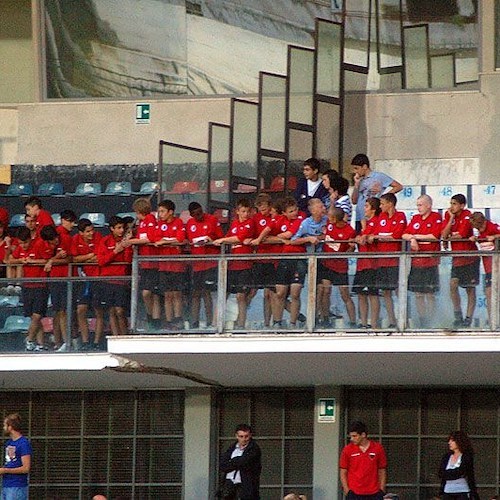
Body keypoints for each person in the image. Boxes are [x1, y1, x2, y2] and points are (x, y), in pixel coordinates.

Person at [213, 199, 256, 329]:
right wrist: (225, 239)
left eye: (248, 211)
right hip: (233, 264)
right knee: (223, 294)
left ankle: (241, 324)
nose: (246, 214)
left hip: (245, 265)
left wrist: (222, 240)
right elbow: (231, 237)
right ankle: (216, 323)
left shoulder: (250, 223)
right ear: (237, 211)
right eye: (243, 211)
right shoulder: (235, 224)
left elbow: (238, 238)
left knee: (240, 296)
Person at [402, 194, 442, 328]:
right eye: (417, 205)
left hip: (430, 261)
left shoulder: (436, 217)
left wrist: (414, 236)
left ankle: (432, 320)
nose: (418, 208)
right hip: (416, 262)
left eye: (420, 205)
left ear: (429, 205)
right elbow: (404, 234)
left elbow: (434, 236)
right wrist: (412, 239)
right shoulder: (415, 218)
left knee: (429, 293)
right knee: (418, 294)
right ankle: (423, 320)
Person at [367, 193, 407, 329]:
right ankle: (392, 320)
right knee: (385, 291)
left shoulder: (400, 216)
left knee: (398, 290)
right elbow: (376, 234)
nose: (381, 206)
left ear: (390, 204)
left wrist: (381, 236)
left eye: (383, 204)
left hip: (395, 260)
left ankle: (403, 319)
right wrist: (382, 236)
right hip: (382, 260)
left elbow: (396, 235)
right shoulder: (381, 217)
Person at [441, 194, 480, 327]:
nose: (451, 206)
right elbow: (443, 235)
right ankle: (458, 315)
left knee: (470, 289)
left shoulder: (467, 215)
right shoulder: (448, 216)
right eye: (451, 203)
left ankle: (468, 318)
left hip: (470, 258)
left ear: (462, 206)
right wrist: (451, 219)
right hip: (457, 257)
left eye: (455, 204)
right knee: (453, 285)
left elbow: (461, 234)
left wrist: (449, 236)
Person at [8, 227, 50, 351]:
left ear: (29, 239)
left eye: (25, 243)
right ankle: (41, 345)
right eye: (21, 243)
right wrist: (19, 260)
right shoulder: (20, 248)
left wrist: (32, 261)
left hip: (40, 286)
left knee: (37, 316)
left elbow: (47, 260)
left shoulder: (38, 245)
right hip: (27, 286)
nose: (23, 246)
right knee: (34, 318)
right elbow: (9, 260)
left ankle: (29, 339)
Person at [185, 202, 224, 329]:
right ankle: (194, 322)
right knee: (196, 293)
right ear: (191, 215)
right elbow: (187, 240)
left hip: (211, 262)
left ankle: (209, 322)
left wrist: (210, 241)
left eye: (201, 212)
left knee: (207, 292)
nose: (200, 216)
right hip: (197, 263)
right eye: (196, 214)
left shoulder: (212, 219)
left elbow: (221, 239)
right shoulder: (190, 224)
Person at [318, 206, 357, 328]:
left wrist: (350, 248)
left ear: (335, 218)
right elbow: (324, 236)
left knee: (344, 294)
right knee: (326, 291)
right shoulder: (329, 224)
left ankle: (353, 322)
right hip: (326, 264)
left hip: (340, 267)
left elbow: (351, 248)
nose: (328, 218)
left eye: (330, 217)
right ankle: (325, 319)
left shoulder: (349, 230)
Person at [153, 199, 188, 330]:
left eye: (162, 211)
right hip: (164, 265)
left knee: (176, 294)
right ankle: (169, 321)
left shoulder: (178, 222)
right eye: (159, 211)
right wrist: (167, 241)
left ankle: (178, 319)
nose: (160, 214)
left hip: (177, 265)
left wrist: (164, 241)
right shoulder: (159, 224)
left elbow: (179, 239)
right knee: (167, 294)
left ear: (170, 212)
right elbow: (156, 239)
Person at [127, 198, 161, 330]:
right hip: (144, 262)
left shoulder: (150, 220)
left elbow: (150, 238)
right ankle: (152, 317)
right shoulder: (141, 223)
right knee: (149, 293)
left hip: (152, 262)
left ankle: (153, 318)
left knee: (149, 293)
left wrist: (132, 241)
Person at [96, 215, 133, 336]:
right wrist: (115, 251)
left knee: (120, 310)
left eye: (122, 227)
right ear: (112, 228)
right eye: (118, 228)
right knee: (111, 311)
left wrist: (126, 246)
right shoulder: (105, 241)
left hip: (121, 281)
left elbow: (128, 260)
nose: (121, 230)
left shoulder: (126, 241)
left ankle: (124, 336)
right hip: (107, 280)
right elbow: (101, 261)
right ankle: (116, 337)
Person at [71, 218, 104, 350]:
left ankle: (96, 343)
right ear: (81, 233)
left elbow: (100, 256)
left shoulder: (99, 237)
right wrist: (90, 256)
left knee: (98, 311)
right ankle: (85, 342)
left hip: (98, 279)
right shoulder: (75, 240)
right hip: (83, 281)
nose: (91, 234)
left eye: (92, 230)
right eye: (88, 231)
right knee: (80, 310)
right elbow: (74, 259)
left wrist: (85, 258)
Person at [350, 154, 403, 232]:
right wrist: (356, 184)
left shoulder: (378, 176)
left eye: (357, 168)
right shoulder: (359, 179)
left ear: (364, 166)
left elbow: (398, 186)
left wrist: (383, 198)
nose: (355, 171)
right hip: (360, 216)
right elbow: (354, 201)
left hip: (374, 215)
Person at [40, 224, 72, 351]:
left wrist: (52, 261)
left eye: (56, 238)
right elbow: (44, 261)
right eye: (52, 240)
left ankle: (66, 342)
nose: (56, 241)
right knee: (57, 312)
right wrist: (55, 258)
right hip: (54, 280)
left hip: (66, 279)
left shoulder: (66, 238)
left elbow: (70, 259)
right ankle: (58, 343)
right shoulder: (43, 244)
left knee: (64, 311)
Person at [340, 420, 387, 500]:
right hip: (354, 493)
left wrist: (382, 489)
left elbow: (382, 470)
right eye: (351, 436)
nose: (351, 439)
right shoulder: (347, 450)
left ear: (363, 435)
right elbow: (343, 471)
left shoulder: (378, 448)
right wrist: (347, 490)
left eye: (355, 436)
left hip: (374, 492)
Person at [353, 198, 381, 329]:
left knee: (372, 294)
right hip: (361, 264)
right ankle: (363, 323)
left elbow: (371, 239)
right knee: (361, 294)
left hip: (371, 264)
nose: (364, 209)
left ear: (373, 209)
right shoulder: (367, 224)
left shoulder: (377, 222)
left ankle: (374, 323)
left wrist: (364, 238)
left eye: (367, 206)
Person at [469, 211, 500, 324]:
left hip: (496, 267)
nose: (479, 229)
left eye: (479, 227)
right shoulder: (479, 231)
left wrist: (494, 236)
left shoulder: (491, 227)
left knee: (493, 292)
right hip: (488, 268)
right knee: (488, 293)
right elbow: (482, 239)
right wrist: (476, 238)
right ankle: (493, 321)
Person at [218, 423, 261, 500]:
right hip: (229, 483)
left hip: (245, 485)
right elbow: (222, 465)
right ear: (236, 436)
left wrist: (232, 461)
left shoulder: (254, 448)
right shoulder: (232, 448)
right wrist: (237, 461)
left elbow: (245, 461)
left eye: (246, 436)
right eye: (241, 436)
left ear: (250, 435)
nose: (244, 439)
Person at [438, 430, 478, 500]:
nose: (449, 443)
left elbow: (462, 471)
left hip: (462, 491)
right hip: (447, 491)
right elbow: (441, 473)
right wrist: (454, 473)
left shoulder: (466, 456)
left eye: (452, 440)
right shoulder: (447, 456)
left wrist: (448, 473)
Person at [0, 413, 32, 500]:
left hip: (17, 486)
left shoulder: (23, 443)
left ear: (10, 427)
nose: (3, 428)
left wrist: (5, 470)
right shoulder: (9, 443)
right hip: (6, 484)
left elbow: (26, 468)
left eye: (5, 425)